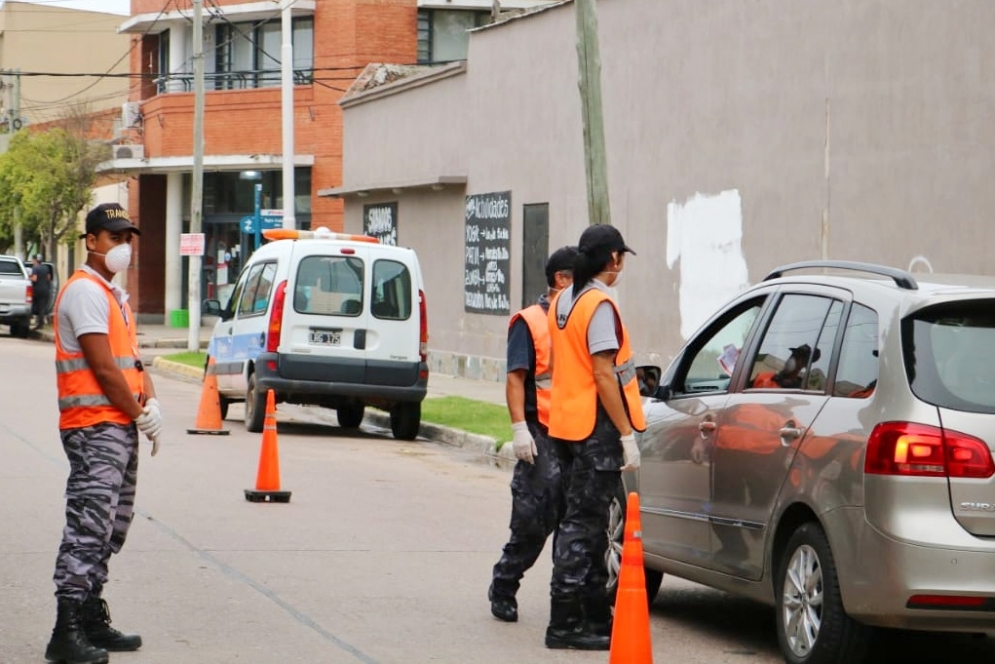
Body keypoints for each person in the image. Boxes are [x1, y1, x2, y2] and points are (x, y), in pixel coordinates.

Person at [46, 203, 164, 664]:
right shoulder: (84, 292)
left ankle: (91, 616)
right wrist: (138, 413)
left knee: (111, 527)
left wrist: (151, 403)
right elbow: (102, 368)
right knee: (88, 527)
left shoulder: (114, 297)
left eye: (127, 238)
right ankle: (66, 630)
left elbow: (131, 362)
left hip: (117, 426)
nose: (123, 247)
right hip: (94, 427)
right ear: (91, 241)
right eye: (115, 238)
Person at [544, 224, 646, 650]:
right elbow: (604, 373)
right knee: (584, 525)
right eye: (622, 257)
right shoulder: (599, 304)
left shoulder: (563, 300)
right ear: (614, 258)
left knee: (584, 521)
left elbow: (562, 364)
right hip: (595, 428)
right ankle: (565, 623)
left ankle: (593, 618)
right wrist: (625, 433)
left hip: (566, 425)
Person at [489, 246, 578, 623]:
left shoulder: (582, 319)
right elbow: (516, 378)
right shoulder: (530, 322)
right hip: (540, 432)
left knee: (574, 524)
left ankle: (567, 601)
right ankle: (505, 583)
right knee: (533, 520)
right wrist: (519, 429)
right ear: (561, 279)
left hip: (577, 433)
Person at [752, 344, 821, 389]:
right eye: (793, 355)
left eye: (797, 357)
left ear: (804, 365)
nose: (791, 359)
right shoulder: (763, 378)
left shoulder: (802, 388)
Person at [30, 253, 53, 329]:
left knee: (35, 306)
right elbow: (49, 278)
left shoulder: (35, 268)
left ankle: (36, 321)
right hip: (45, 290)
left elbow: (34, 279)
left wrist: (29, 278)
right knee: (42, 307)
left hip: (37, 290)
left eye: (33, 260)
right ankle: (41, 323)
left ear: (35, 260)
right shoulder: (46, 268)